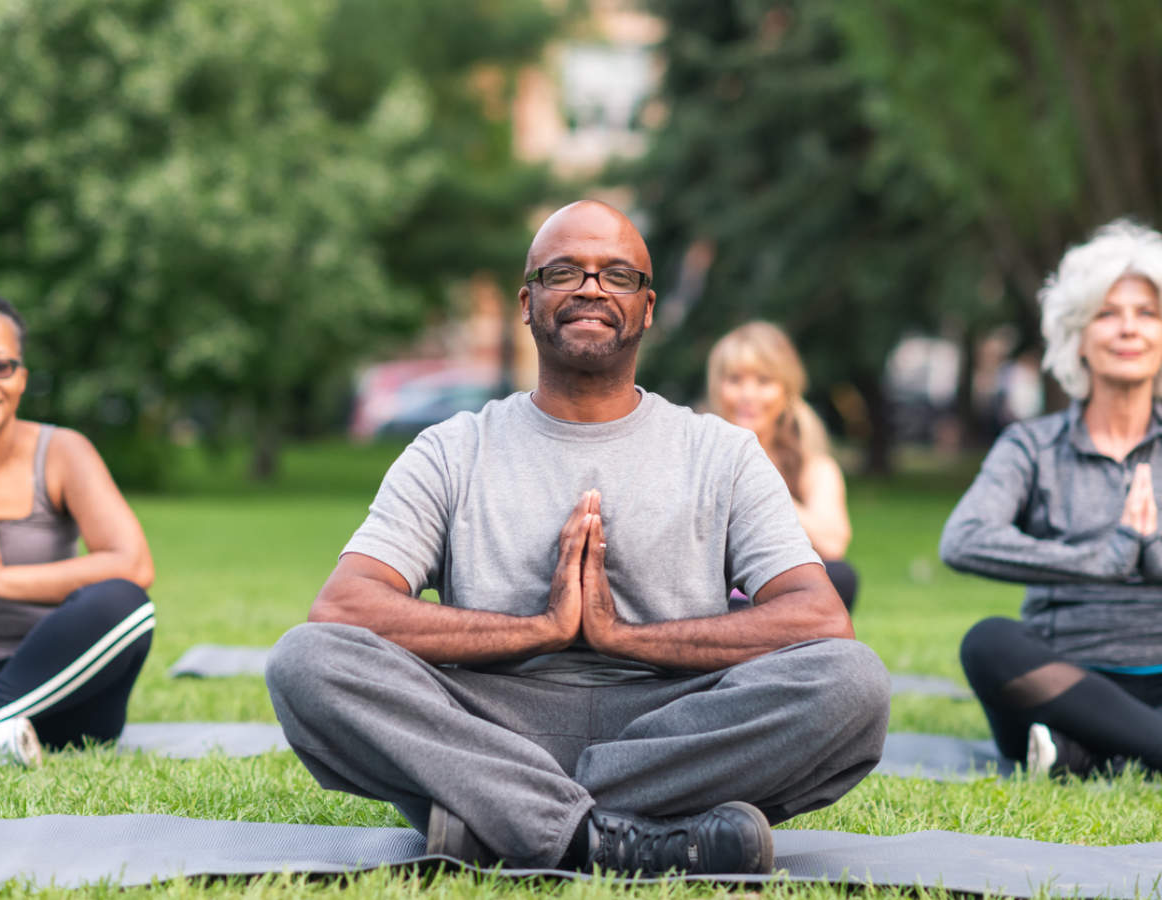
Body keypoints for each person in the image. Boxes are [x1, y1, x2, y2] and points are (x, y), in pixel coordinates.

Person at [266, 201, 890, 875]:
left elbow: (818, 617)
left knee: (851, 682)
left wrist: (623, 638)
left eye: (617, 276)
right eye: (564, 272)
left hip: (675, 725)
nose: (592, 288)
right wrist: (541, 630)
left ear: (647, 309)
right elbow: (346, 606)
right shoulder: (451, 449)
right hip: (490, 724)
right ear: (527, 302)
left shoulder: (724, 453)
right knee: (308, 660)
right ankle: (624, 837)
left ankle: (502, 820)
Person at [940, 219, 1162, 779]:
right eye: (1107, 314)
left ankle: (1087, 755)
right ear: (1077, 336)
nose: (1129, 329)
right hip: (1062, 680)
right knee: (988, 642)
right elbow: (963, 540)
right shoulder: (1032, 445)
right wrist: (1100, 560)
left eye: (1147, 313)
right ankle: (1122, 744)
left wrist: (1151, 551)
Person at [0, 292, 155, 766]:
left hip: (56, 692)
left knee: (124, 602)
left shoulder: (63, 451)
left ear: (22, 378)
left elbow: (133, 564)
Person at [707, 322, 858, 611]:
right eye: (735, 380)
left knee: (840, 577)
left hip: (777, 596)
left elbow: (833, 544)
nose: (747, 395)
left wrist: (758, 481)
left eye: (763, 382)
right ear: (717, 388)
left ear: (786, 391)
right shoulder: (697, 457)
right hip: (714, 599)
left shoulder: (815, 469)